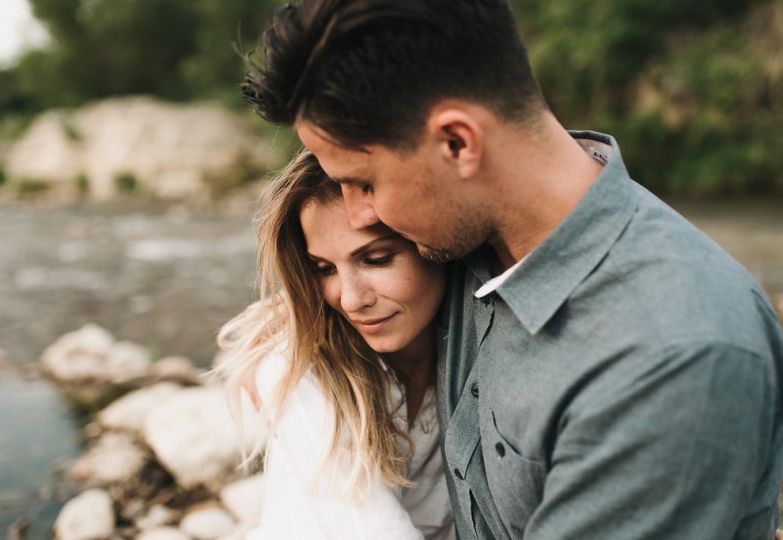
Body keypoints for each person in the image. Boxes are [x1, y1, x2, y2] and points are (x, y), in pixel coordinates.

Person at [241, 1, 783, 539]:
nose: (362, 214)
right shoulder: (463, 245)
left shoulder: (667, 357)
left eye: (365, 182)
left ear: (458, 143)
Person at [215, 151, 455, 539]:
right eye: (323, 269)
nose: (349, 299)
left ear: (434, 243)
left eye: (376, 259)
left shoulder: (478, 340)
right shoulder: (299, 371)